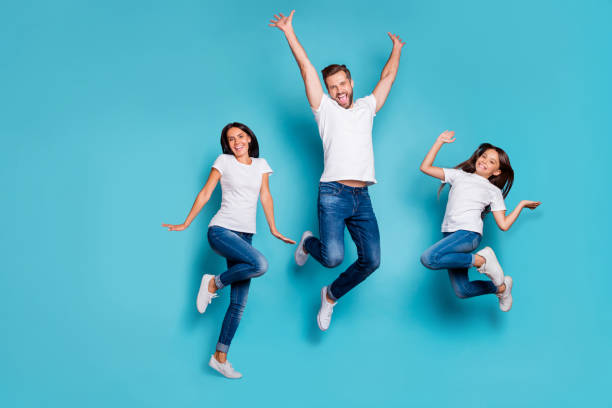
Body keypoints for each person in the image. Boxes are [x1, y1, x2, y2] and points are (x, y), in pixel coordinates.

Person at [270, 10, 405, 331]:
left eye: (342, 84)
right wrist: (289, 31)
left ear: (351, 82)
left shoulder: (366, 108)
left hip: (362, 196)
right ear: (328, 91)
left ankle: (330, 295)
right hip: (332, 193)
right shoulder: (324, 109)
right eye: (333, 86)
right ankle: (307, 243)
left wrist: (397, 49)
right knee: (331, 258)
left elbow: (386, 79)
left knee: (371, 260)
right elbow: (306, 70)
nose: (339, 90)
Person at [162, 122, 295, 379]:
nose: (237, 142)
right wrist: (186, 222)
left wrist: (274, 228)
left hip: (246, 236)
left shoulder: (261, 165)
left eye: (241, 136)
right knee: (260, 265)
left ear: (249, 138)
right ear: (227, 144)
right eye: (231, 138)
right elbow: (206, 192)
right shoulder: (223, 161)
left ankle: (219, 357)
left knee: (238, 305)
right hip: (221, 230)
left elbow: (265, 196)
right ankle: (213, 283)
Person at [419, 130, 541, 311]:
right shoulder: (459, 175)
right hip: (449, 234)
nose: (484, 161)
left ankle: (481, 260)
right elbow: (426, 167)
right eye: (483, 157)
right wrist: (439, 142)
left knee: (429, 258)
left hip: (468, 234)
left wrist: (521, 205)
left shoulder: (494, 191)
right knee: (463, 290)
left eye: (492, 162)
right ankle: (502, 288)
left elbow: (504, 225)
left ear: (497, 171)